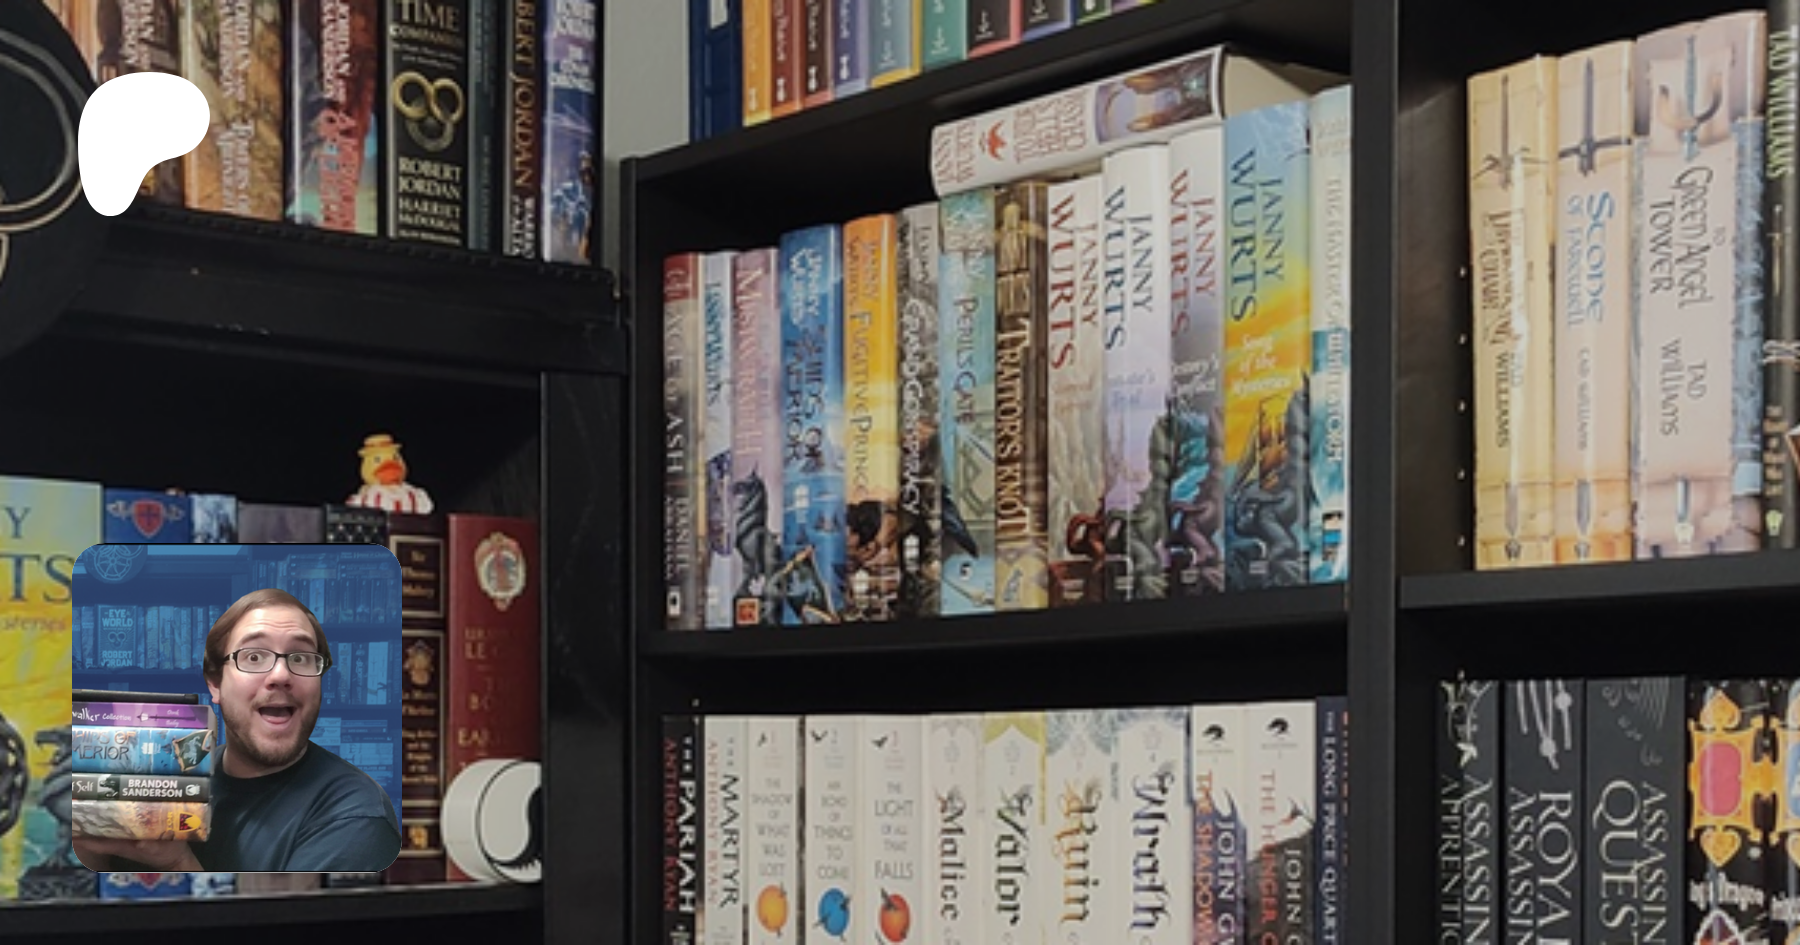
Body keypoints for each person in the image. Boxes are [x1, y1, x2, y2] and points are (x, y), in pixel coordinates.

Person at [73, 588, 400, 873]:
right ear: (215, 683)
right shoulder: (175, 776)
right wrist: (87, 846)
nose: (281, 675)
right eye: (254, 656)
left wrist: (176, 863)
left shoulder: (356, 816)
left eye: (301, 658)